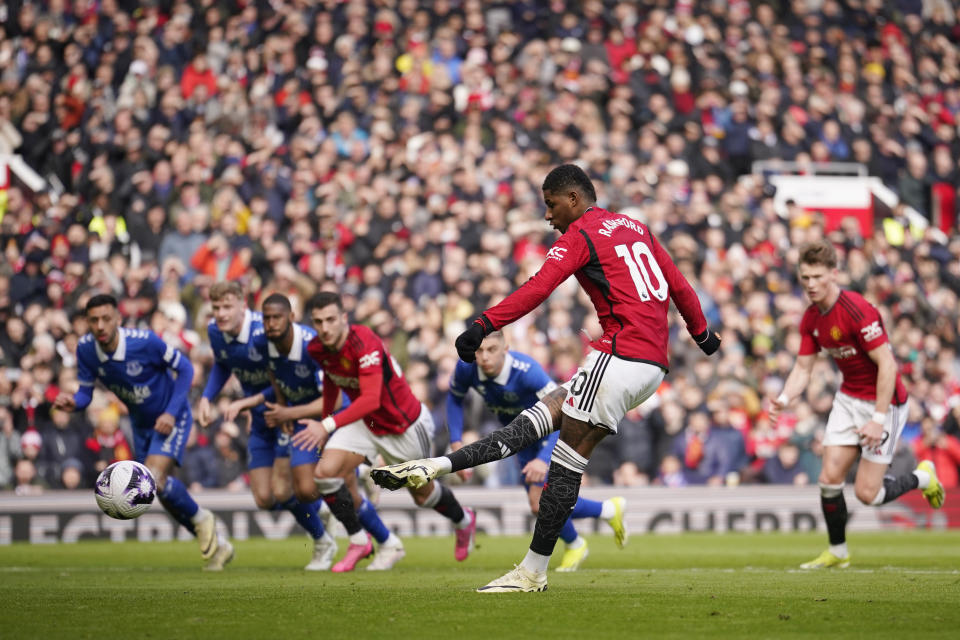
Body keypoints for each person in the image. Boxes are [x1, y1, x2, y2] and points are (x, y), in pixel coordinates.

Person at [372, 164, 720, 592]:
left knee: (561, 467)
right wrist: (702, 334)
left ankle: (533, 572)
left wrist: (482, 324)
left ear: (573, 199)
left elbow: (538, 288)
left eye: (551, 205)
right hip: (650, 366)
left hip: (619, 356)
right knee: (534, 422)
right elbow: (679, 284)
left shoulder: (582, 235)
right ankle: (436, 466)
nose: (548, 217)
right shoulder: (636, 227)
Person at [769, 240, 944, 569]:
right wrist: (783, 399)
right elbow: (803, 367)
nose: (810, 284)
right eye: (805, 277)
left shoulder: (857, 310)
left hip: (885, 402)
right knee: (829, 478)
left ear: (834, 274)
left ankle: (923, 477)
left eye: (817, 276)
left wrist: (878, 419)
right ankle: (838, 551)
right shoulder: (811, 318)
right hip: (849, 398)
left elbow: (888, 366)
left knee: (868, 495)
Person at [291, 291, 477, 567]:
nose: (325, 327)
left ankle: (463, 519)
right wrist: (328, 421)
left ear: (344, 318)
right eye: (318, 322)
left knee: (422, 495)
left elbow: (371, 399)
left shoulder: (364, 341)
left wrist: (326, 424)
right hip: (366, 423)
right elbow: (332, 381)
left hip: (404, 425)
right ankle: (359, 541)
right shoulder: (317, 348)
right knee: (325, 474)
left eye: (331, 319)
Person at [54, 294, 234, 570]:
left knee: (154, 478)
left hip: (171, 416)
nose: (100, 325)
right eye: (94, 320)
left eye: (106, 318)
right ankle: (218, 543)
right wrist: (74, 402)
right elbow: (85, 393)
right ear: (87, 322)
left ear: (118, 319)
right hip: (140, 423)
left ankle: (203, 520)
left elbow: (185, 369)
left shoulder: (145, 342)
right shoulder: (86, 349)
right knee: (158, 490)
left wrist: (171, 413)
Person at [447, 331, 628, 571]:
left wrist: (544, 459)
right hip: (520, 438)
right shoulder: (467, 368)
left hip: (550, 433)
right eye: (479, 351)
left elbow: (565, 410)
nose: (484, 357)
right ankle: (605, 511)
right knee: (538, 504)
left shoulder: (528, 371)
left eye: (491, 350)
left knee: (539, 500)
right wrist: (455, 439)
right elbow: (454, 398)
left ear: (505, 348)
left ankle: (577, 543)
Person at [249, 293, 403, 572]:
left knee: (321, 488)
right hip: (303, 421)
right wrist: (282, 406)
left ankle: (379, 538)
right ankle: (340, 531)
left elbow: (335, 399)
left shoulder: (313, 346)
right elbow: (275, 375)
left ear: (292, 318)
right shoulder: (264, 343)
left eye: (277, 317)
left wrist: (293, 414)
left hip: (332, 419)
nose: (271, 324)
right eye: (266, 318)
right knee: (290, 490)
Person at [198, 281, 335, 571]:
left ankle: (322, 540)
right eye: (216, 308)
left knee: (286, 491)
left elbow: (284, 378)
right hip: (259, 415)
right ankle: (318, 509)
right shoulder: (215, 332)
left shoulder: (267, 330)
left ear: (242, 304)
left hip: (282, 411)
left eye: (226, 307)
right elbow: (224, 363)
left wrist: (251, 403)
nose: (220, 314)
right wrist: (207, 397)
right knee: (264, 497)